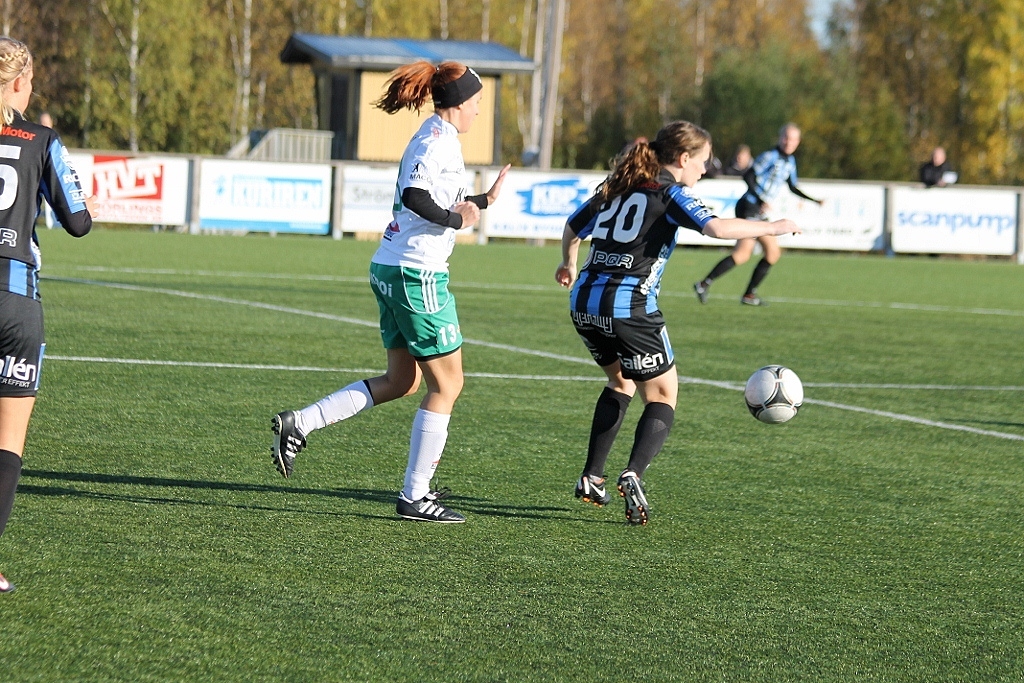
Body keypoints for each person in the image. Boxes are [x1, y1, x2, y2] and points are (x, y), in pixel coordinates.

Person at [270, 60, 510, 524]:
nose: (480, 110)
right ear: (459, 102)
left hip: (395, 266)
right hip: (415, 274)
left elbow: (435, 199)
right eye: (478, 101)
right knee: (449, 385)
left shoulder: (441, 139)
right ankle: (415, 496)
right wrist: (457, 220)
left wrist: (483, 201)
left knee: (402, 381)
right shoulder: (435, 140)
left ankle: (302, 422)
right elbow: (417, 197)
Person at [554, 121, 799, 525]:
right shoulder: (670, 193)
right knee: (663, 395)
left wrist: (567, 263)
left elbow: (572, 226)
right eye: (703, 161)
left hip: (583, 301)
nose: (705, 169)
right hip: (628, 306)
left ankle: (591, 477)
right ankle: (633, 473)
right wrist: (772, 227)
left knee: (620, 382)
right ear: (683, 159)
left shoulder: (617, 185)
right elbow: (717, 228)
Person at [0, 37, 97, 593]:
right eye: (31, 80)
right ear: (19, 84)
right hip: (16, 303)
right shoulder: (41, 140)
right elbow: (78, 222)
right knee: (7, 443)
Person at [693, 123, 822, 306]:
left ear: (798, 142)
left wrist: (814, 200)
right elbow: (749, 176)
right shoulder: (770, 156)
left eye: (793, 139)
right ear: (780, 138)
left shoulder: (790, 162)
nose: (789, 142)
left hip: (757, 209)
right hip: (749, 206)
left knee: (760, 254)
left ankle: (712, 286)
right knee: (755, 253)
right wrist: (761, 199)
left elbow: (792, 187)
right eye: (786, 137)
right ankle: (737, 292)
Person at [37, 111, 56, 228]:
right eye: (42, 123)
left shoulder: (55, 143)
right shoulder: (33, 142)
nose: (44, 125)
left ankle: (53, 223)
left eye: (46, 123)